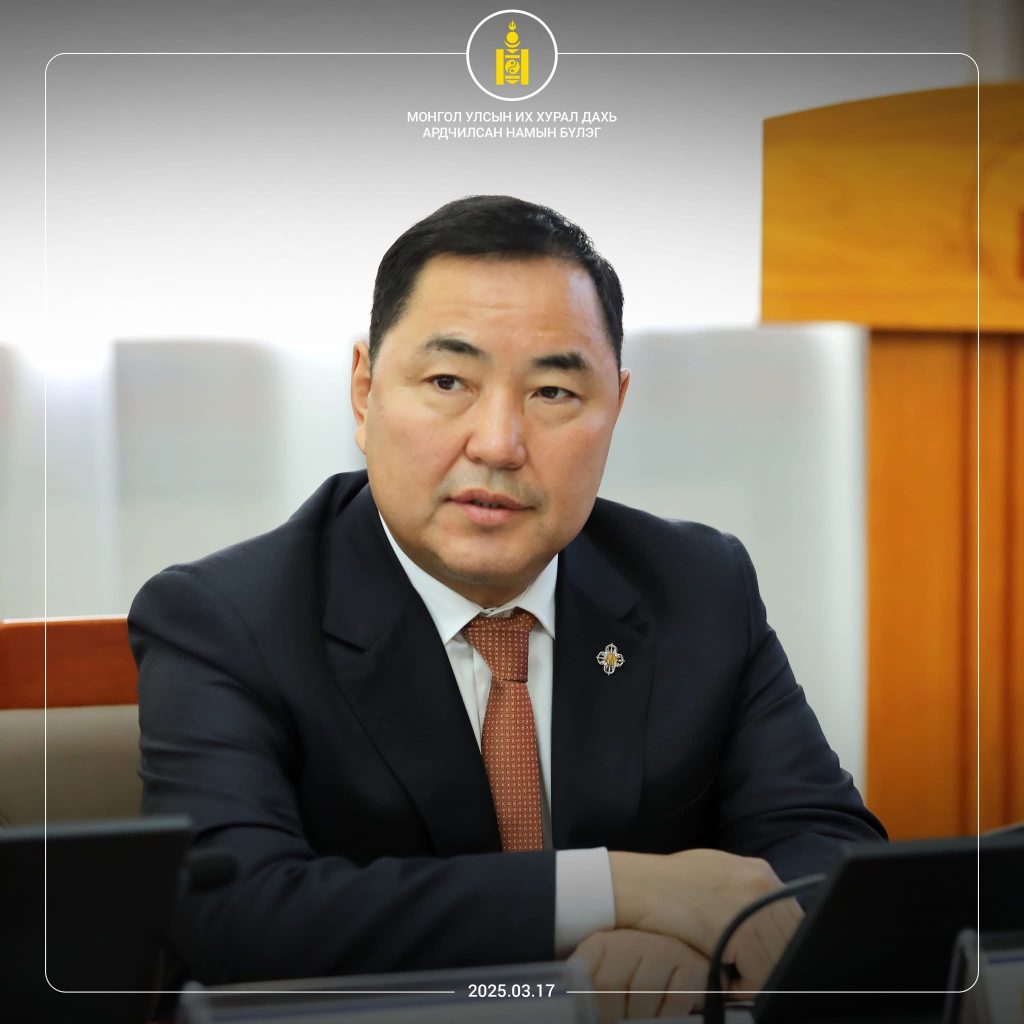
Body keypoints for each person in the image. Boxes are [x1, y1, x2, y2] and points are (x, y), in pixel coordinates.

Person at [129, 195, 885, 1018]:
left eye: (553, 391)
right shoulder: (225, 619)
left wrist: (690, 945)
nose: (497, 443)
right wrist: (619, 892)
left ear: (616, 407)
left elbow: (831, 854)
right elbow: (236, 916)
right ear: (364, 392)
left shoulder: (697, 585)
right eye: (448, 381)